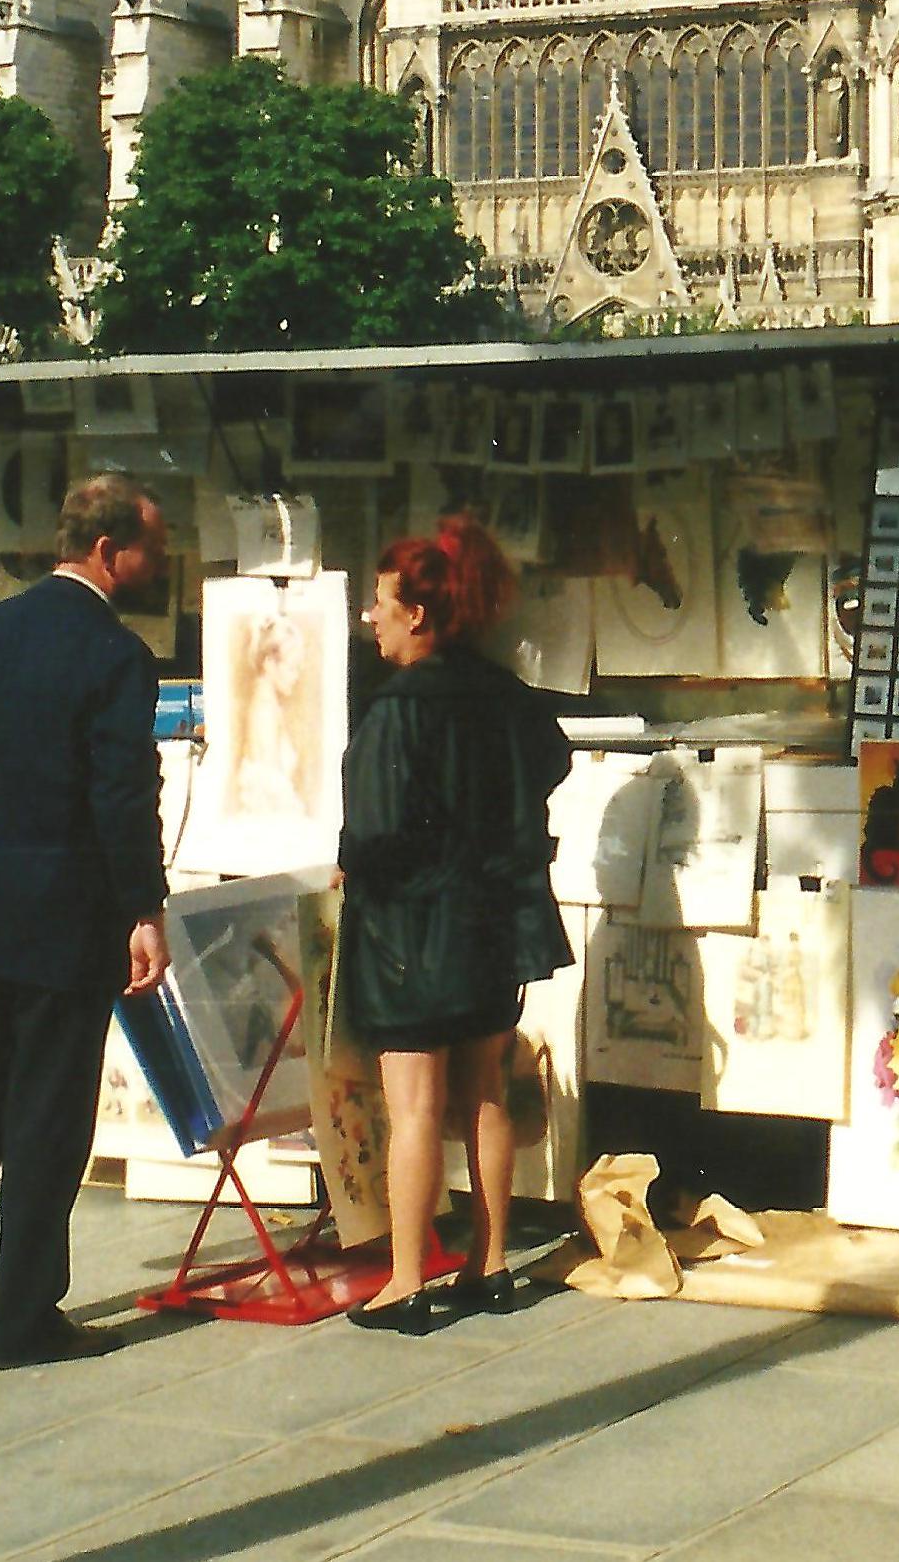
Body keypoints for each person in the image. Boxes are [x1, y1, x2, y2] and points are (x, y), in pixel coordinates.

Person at [0, 473, 174, 1369]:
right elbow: (121, 795)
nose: (161, 565)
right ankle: (21, 1321)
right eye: (152, 549)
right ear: (106, 551)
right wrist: (141, 907)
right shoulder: (115, 656)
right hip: (62, 922)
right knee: (46, 1122)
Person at [337, 513, 567, 1332]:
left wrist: (351, 866)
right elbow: (552, 761)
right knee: (486, 1095)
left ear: (418, 614)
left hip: (411, 928)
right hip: (495, 917)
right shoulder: (503, 693)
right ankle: (491, 1260)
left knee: (415, 1107)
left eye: (380, 603)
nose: (373, 617)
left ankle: (406, 1278)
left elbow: (374, 830)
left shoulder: (399, 707)